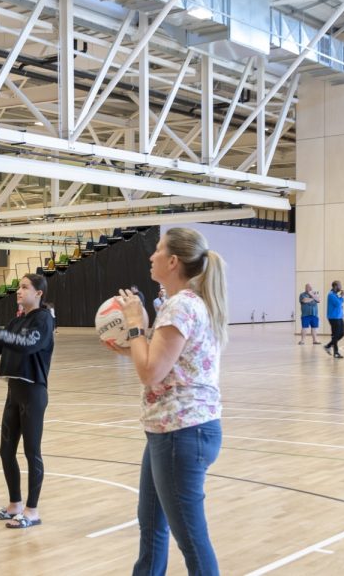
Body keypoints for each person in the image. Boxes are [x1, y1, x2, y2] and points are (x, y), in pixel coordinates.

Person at [108, 227, 227, 576]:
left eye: (157, 250)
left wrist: (134, 326)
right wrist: (137, 339)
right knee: (151, 525)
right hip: (171, 431)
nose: (151, 256)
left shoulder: (181, 306)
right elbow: (161, 362)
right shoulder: (187, 304)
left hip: (182, 433)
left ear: (173, 261)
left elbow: (150, 373)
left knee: (190, 539)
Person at [0, 274, 55, 529]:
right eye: (19, 287)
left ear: (39, 293)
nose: (19, 291)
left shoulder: (43, 319)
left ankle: (32, 511)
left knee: (32, 453)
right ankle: (15, 505)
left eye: (25, 287)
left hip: (33, 392)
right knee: (6, 451)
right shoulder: (18, 320)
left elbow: (27, 344)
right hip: (14, 392)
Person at [323, 281, 344, 359]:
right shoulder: (331, 295)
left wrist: (341, 297)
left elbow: (340, 304)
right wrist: (342, 297)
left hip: (339, 317)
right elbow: (338, 304)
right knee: (335, 335)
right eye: (340, 285)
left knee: (342, 333)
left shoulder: (336, 295)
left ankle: (328, 346)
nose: (341, 287)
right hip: (333, 318)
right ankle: (336, 353)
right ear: (335, 286)